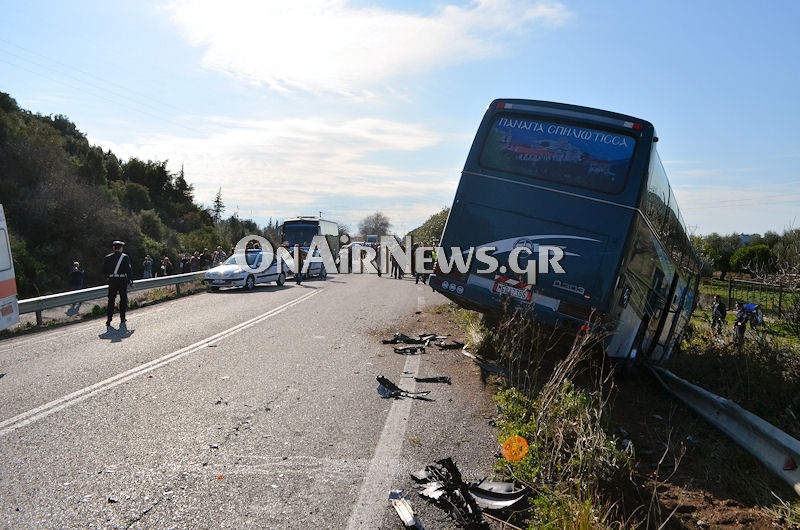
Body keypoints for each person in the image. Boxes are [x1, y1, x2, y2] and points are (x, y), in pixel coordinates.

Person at [103, 240, 133, 326]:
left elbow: (104, 270)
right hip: (122, 279)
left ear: (113, 248)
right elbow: (129, 270)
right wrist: (131, 281)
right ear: (121, 248)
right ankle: (122, 318)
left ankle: (109, 319)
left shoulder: (107, 257)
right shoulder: (125, 257)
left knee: (111, 300)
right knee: (123, 299)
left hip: (112, 280)